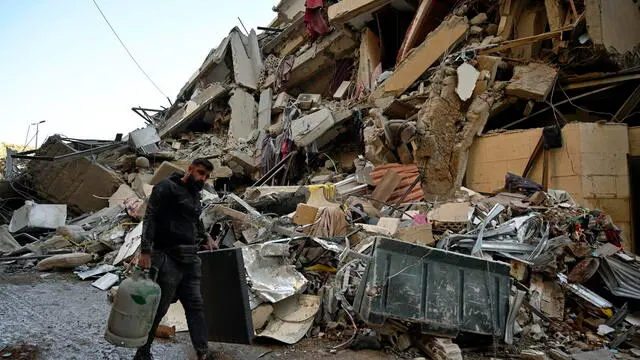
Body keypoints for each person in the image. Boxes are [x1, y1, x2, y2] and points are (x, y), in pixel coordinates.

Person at [134, 158, 218, 360]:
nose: (202, 178)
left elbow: (194, 219)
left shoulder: (194, 193)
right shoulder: (166, 187)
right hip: (167, 258)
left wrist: (206, 237)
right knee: (160, 308)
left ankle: (202, 351)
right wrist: (146, 251)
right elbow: (151, 217)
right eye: (199, 173)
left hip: (190, 258)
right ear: (189, 169)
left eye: (206, 176)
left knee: (195, 304)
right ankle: (143, 352)